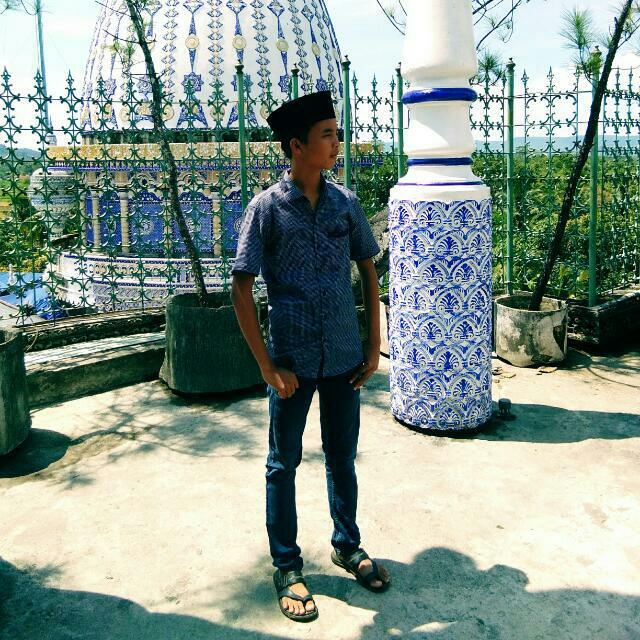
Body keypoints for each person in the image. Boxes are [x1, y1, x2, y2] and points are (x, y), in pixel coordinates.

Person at [230, 91, 391, 623]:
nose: (337, 142)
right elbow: (241, 287)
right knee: (284, 464)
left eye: (336, 133)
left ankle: (347, 545)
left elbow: (367, 269)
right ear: (297, 146)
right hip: (292, 362)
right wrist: (266, 365)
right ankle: (287, 565)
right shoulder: (266, 209)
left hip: (344, 355)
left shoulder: (345, 204)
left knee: (342, 457)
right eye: (327, 135)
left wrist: (372, 345)